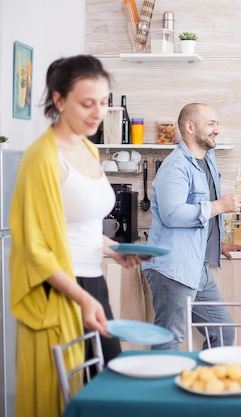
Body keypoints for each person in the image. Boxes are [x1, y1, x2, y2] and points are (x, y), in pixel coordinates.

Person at [9, 55, 143, 417]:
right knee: (71, 397)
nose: (97, 112)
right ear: (59, 100)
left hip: (93, 284)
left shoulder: (88, 148)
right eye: (87, 103)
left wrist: (114, 249)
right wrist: (81, 298)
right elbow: (35, 246)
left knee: (108, 391)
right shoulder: (42, 158)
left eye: (103, 102)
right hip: (61, 289)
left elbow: (77, 225)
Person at [142, 103, 241, 350]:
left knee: (222, 332)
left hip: (196, 267)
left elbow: (199, 212)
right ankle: (159, 389)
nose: (217, 130)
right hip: (173, 269)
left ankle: (203, 386)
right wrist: (220, 206)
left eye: (217, 124)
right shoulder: (176, 166)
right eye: (211, 123)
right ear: (190, 127)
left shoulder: (207, 161)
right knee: (169, 340)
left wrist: (215, 241)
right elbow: (172, 214)